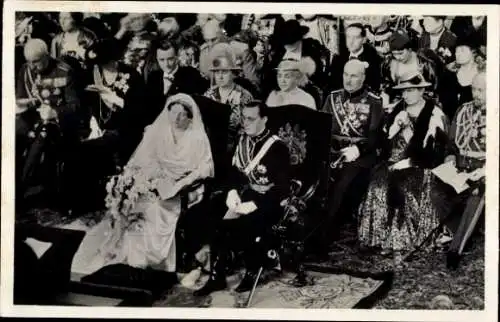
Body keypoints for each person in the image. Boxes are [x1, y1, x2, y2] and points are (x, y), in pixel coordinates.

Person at [71, 94, 214, 274]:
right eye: (173, 113)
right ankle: (122, 251)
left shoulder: (197, 138)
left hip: (183, 187)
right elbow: (144, 161)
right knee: (131, 202)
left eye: (182, 115)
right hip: (157, 182)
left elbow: (205, 168)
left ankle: (146, 257)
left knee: (155, 207)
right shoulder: (159, 131)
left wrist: (181, 183)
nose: (176, 119)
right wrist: (140, 180)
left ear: (190, 116)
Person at [193, 101, 291, 296]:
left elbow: (282, 188)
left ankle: (252, 271)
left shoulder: (277, 147)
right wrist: (232, 192)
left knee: (249, 222)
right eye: (243, 118)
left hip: (269, 199)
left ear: (264, 119)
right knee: (210, 211)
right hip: (245, 194)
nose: (245, 123)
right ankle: (217, 275)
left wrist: (255, 203)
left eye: (251, 119)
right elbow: (234, 174)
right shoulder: (242, 141)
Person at [358, 72, 450, 267]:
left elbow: (433, 154)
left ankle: (401, 242)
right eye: (403, 91)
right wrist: (395, 127)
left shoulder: (434, 115)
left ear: (421, 90)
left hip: (420, 165)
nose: (406, 95)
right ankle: (383, 238)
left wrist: (408, 131)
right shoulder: (397, 109)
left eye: (410, 91)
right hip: (393, 161)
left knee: (403, 188)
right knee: (377, 185)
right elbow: (384, 142)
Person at [317, 59, 384, 254]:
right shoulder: (332, 98)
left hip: (360, 156)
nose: (349, 80)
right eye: (346, 74)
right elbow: (321, 128)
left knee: (342, 185)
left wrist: (358, 150)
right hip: (333, 152)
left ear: (363, 78)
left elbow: (374, 136)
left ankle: (325, 238)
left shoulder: (374, 101)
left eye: (354, 76)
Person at [440, 72, 486, 269]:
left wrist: (486, 171)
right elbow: (451, 144)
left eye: (482, 90)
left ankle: (456, 249)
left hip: (482, 170)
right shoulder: (462, 111)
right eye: (474, 89)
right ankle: (461, 230)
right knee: (437, 191)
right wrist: (450, 159)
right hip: (460, 167)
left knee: (475, 195)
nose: (476, 94)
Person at [204, 43, 254, 152]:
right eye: (217, 72)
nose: (220, 76)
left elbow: (249, 129)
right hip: (211, 149)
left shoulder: (245, 96)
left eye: (225, 72)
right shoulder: (208, 94)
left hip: (236, 150)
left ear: (233, 73)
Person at [146, 40, 209, 125]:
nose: (166, 64)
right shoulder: (153, 77)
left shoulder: (191, 74)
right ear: (157, 59)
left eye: (170, 59)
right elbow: (150, 109)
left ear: (176, 57)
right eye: (162, 60)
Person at [328, 22, 382, 93]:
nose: (351, 42)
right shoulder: (338, 57)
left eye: (356, 38)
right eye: (348, 37)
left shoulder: (373, 58)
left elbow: (375, 86)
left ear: (364, 40)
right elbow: (333, 84)